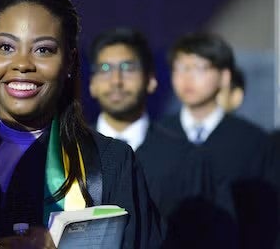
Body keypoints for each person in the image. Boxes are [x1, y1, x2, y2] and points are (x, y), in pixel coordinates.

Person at [0, 0, 159, 249]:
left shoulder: (111, 165)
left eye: (43, 50)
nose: (22, 64)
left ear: (70, 62)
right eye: (6, 47)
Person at [88, 27, 216, 244]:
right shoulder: (69, 150)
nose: (116, 80)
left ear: (151, 80)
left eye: (128, 68)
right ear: (92, 84)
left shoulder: (185, 157)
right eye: (105, 68)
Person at [160, 32, 279, 248]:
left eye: (198, 68)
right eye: (180, 68)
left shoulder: (254, 142)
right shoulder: (156, 137)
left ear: (224, 77)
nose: (187, 78)